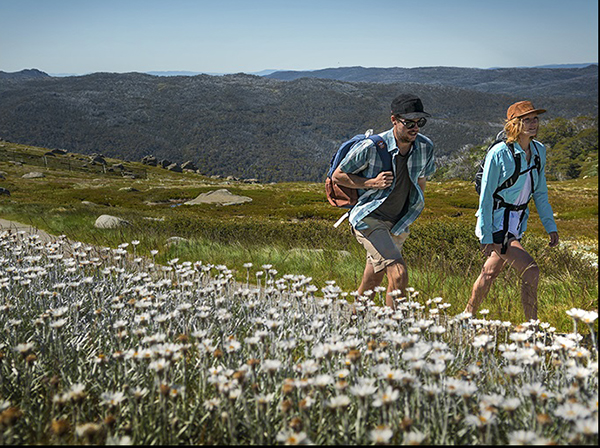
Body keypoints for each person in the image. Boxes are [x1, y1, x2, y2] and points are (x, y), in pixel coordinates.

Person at [332, 93, 435, 308]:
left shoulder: (426, 147)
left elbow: (421, 181)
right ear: (394, 120)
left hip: (399, 223)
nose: (415, 128)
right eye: (409, 122)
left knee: (373, 278)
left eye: (420, 122)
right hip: (369, 218)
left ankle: (354, 325)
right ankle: (393, 335)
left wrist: (413, 210)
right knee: (398, 274)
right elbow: (338, 176)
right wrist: (372, 183)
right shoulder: (371, 147)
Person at [466, 100, 559, 321]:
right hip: (498, 221)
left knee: (489, 273)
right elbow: (486, 197)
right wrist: (486, 235)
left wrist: (550, 226)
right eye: (526, 120)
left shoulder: (539, 151)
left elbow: (540, 193)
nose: (533, 123)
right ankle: (532, 328)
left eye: (535, 118)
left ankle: (466, 316)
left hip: (516, 222)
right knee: (531, 271)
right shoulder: (499, 153)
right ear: (513, 124)